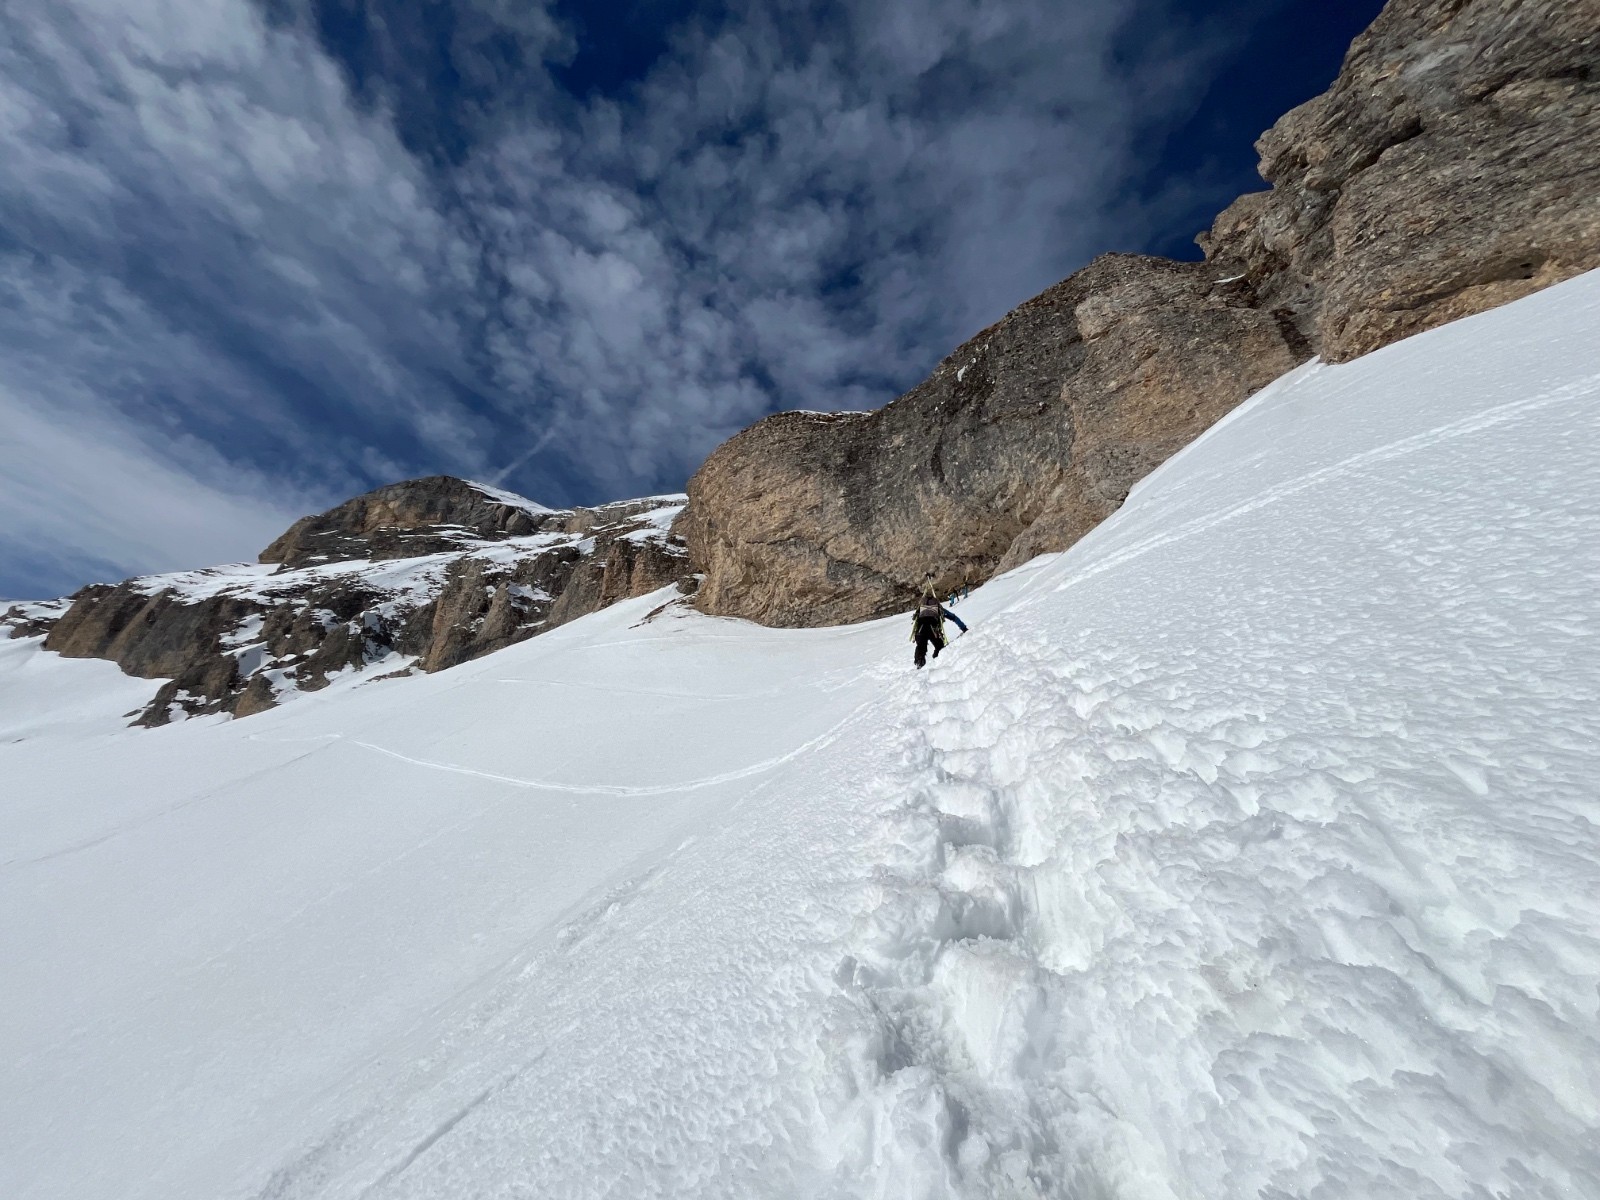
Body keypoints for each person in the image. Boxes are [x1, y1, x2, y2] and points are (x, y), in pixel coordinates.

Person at [910, 591, 968, 669]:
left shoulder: (920, 609)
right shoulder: (938, 608)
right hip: (933, 629)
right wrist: (964, 628)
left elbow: (915, 618)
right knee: (939, 646)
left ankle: (919, 662)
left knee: (920, 647)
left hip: (920, 629)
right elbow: (953, 617)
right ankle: (937, 661)